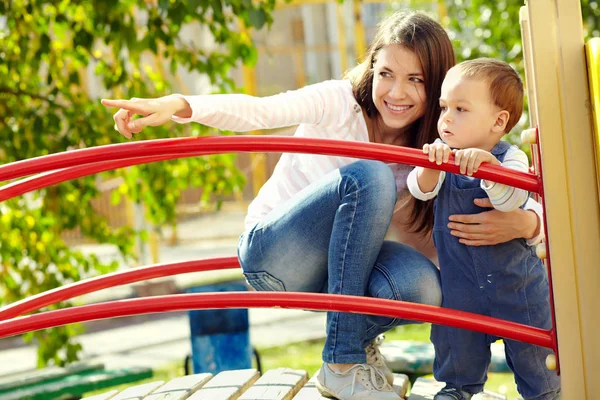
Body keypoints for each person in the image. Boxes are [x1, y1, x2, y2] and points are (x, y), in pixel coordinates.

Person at [103, 12, 545, 400]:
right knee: (370, 173)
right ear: (372, 67)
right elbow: (259, 111)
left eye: (417, 81)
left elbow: (494, 202)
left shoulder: (434, 148)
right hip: (275, 253)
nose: (397, 92)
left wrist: (528, 223)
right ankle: (343, 361)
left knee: (426, 285)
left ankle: (347, 345)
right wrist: (180, 104)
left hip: (338, 277)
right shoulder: (341, 102)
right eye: (387, 73)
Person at [407, 58, 561, 400]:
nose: (446, 118)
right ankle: (457, 390)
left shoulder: (511, 158)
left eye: (461, 109)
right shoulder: (444, 157)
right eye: (444, 107)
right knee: (456, 345)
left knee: (534, 356)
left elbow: (511, 201)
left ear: (498, 121)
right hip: (461, 284)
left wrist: (490, 170)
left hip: (517, 287)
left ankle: (545, 395)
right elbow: (420, 189)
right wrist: (430, 165)